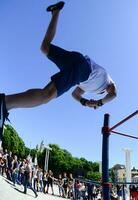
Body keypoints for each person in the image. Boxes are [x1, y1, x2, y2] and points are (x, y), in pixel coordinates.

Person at [0, 1, 117, 136]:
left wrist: (85, 103)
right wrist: (99, 103)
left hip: (78, 63)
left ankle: (56, 12)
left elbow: (75, 94)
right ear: (103, 93)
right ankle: (5, 103)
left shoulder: (89, 87)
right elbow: (113, 94)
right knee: (47, 95)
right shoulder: (107, 83)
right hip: (83, 69)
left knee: (45, 47)